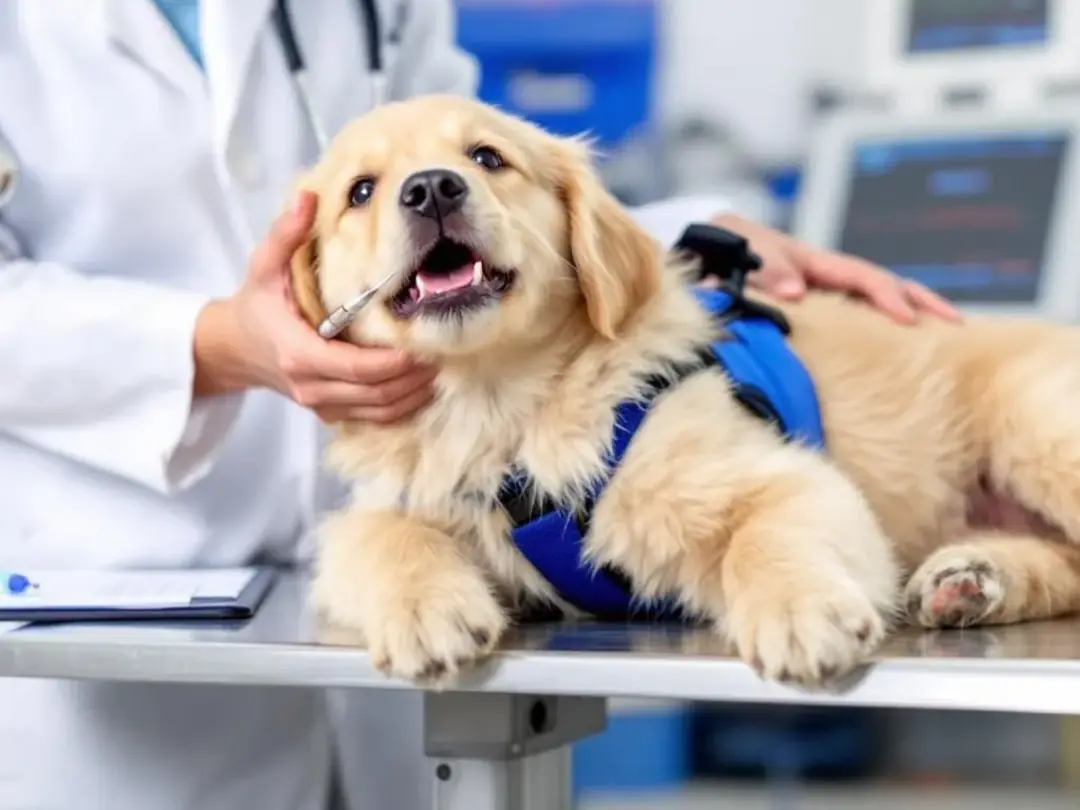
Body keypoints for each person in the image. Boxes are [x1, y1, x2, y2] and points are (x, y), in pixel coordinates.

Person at [0, 3, 960, 810]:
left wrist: (687, 233)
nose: (415, 188)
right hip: (122, 612)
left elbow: (481, 183)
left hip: (420, 598)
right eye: (367, 191)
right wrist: (213, 343)